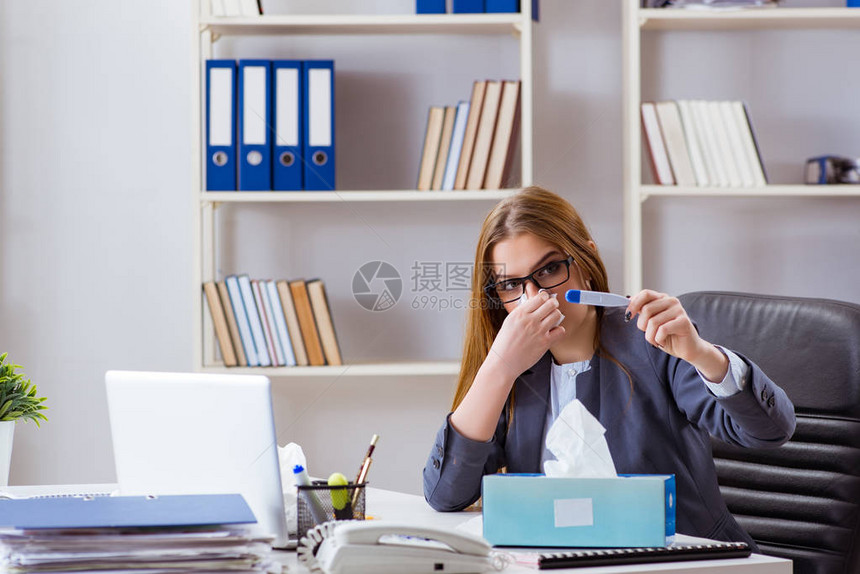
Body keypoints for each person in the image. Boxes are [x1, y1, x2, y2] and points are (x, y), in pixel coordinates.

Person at [422, 186, 795, 548]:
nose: (535, 299)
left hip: (677, 563)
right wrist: (498, 368)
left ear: (586, 262)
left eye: (550, 269)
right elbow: (446, 494)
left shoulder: (649, 341)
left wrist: (700, 353)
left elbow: (769, 431)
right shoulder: (514, 370)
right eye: (511, 286)